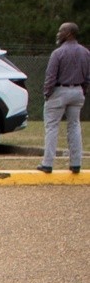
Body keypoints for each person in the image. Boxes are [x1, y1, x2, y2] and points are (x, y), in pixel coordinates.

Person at [39, 21, 89, 175]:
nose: (58, 34)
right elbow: (88, 76)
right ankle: (76, 163)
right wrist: (83, 90)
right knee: (74, 126)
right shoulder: (85, 52)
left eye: (61, 31)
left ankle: (47, 163)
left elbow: (51, 76)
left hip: (59, 91)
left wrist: (47, 93)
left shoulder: (58, 53)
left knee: (52, 127)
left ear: (68, 34)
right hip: (77, 91)